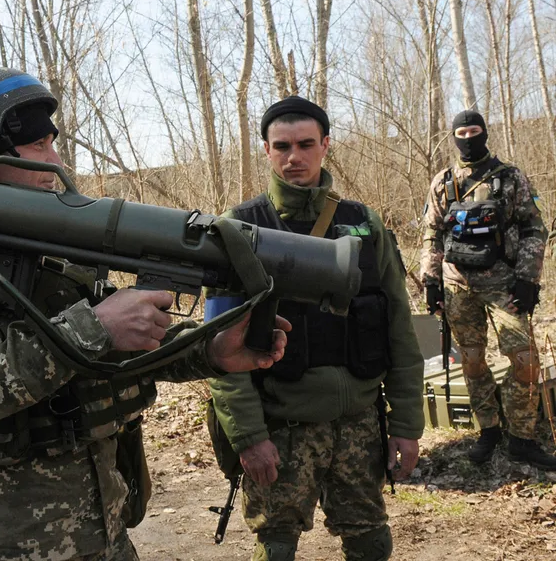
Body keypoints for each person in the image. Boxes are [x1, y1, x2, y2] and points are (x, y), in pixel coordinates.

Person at [0, 67, 291, 561]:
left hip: (105, 526)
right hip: (10, 542)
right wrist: (96, 325)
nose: (56, 160)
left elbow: (117, 351)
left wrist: (210, 350)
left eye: (53, 144)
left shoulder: (51, 247)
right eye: (38, 145)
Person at [205, 97, 424, 561]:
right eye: (282, 146)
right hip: (282, 425)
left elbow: (400, 329)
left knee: (371, 542)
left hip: (360, 423)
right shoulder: (238, 228)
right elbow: (219, 349)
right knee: (277, 548)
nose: (294, 157)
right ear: (266, 150)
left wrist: (406, 424)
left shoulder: (363, 223)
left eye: (306, 144)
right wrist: (249, 436)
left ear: (325, 145)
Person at [420, 110, 555, 469]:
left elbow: (534, 228)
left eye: (474, 131)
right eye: (461, 133)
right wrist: (431, 281)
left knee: (526, 360)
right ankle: (489, 429)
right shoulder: (443, 181)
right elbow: (432, 233)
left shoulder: (510, 177)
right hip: (458, 286)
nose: (468, 138)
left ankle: (521, 438)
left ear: (485, 133)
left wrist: (528, 279)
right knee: (472, 360)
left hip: (505, 284)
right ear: (454, 137)